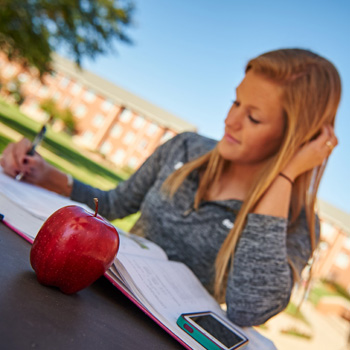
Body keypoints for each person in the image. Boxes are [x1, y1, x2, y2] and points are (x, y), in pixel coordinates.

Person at [0, 48, 341, 327]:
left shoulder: (298, 224)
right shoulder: (185, 149)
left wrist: (285, 176)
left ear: (297, 139)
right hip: (89, 302)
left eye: (253, 117)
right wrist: (44, 174)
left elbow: (248, 309)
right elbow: (114, 203)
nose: (230, 120)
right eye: (236, 103)